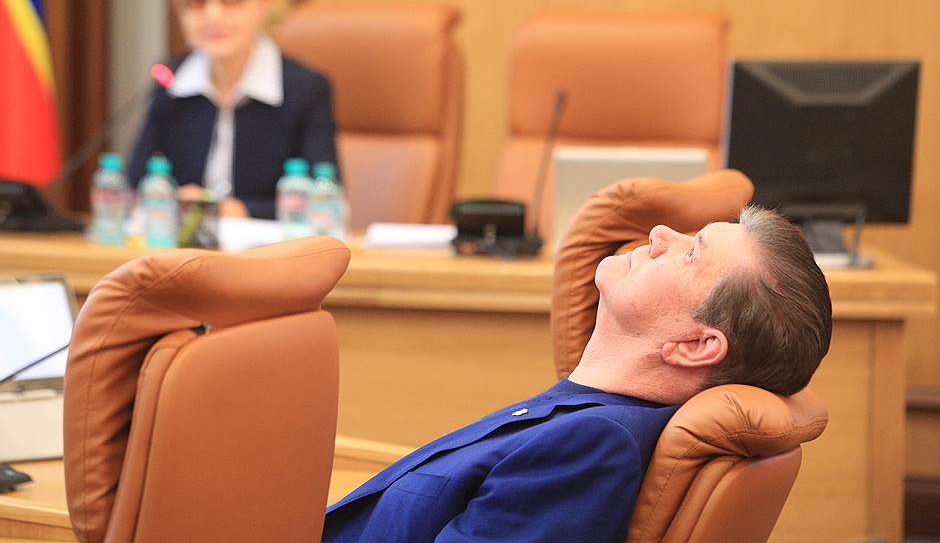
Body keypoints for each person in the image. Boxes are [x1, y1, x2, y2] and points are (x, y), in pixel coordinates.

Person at [322, 206, 832, 542]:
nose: (660, 234)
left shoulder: (591, 446)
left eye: (691, 252)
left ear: (695, 346)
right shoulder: (590, 419)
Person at [127, 0, 339, 219]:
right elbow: (134, 187)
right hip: (185, 239)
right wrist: (174, 201)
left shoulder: (306, 88)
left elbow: (323, 200)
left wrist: (234, 210)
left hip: (270, 239)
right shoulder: (171, 80)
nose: (213, 15)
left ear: (263, 6)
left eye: (231, 1)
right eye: (197, 3)